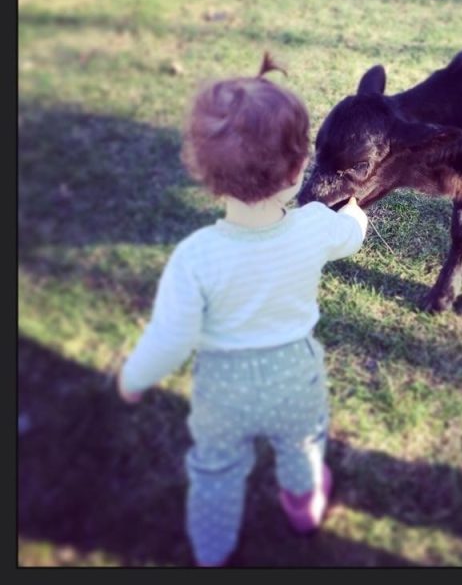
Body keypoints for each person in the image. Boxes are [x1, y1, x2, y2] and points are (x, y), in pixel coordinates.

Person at [117, 62, 368, 567]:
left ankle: (212, 551)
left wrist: (136, 377)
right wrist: (357, 210)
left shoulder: (196, 255)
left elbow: (170, 336)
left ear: (207, 179)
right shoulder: (317, 226)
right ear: (300, 171)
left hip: (223, 389)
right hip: (294, 376)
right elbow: (354, 232)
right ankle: (303, 504)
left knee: (216, 469)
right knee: (301, 443)